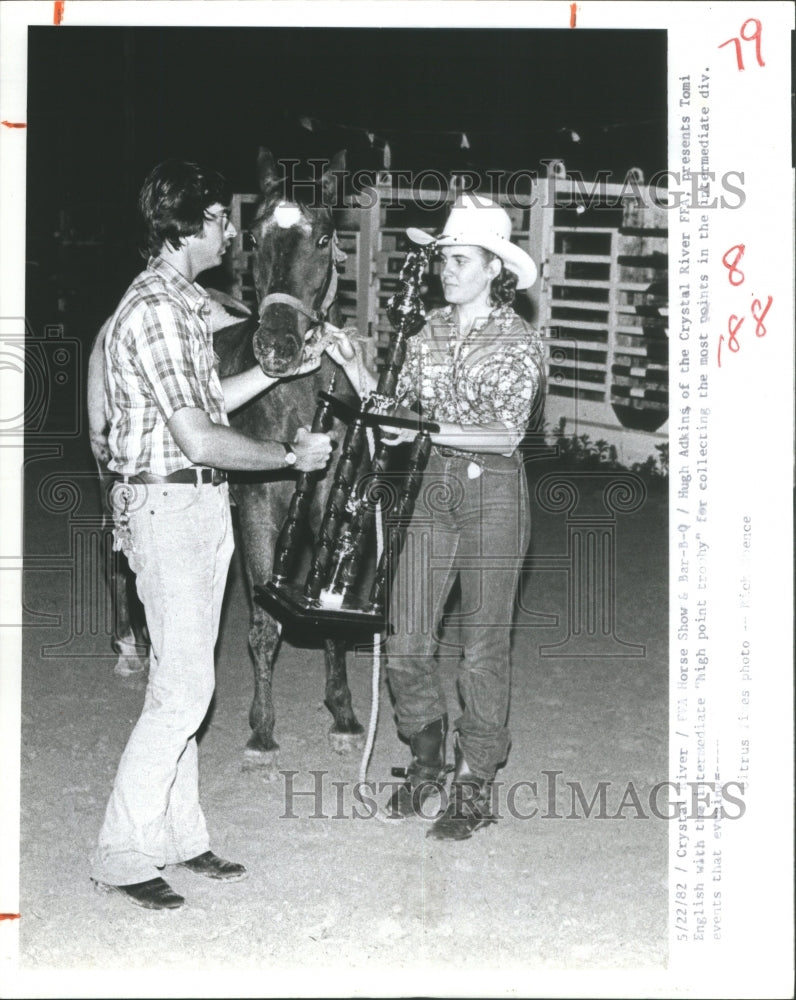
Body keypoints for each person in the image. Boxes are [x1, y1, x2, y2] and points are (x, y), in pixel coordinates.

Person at [91, 160, 332, 910]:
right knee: (184, 688)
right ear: (192, 226)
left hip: (193, 509)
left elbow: (214, 398)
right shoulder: (158, 311)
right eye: (222, 220)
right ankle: (120, 848)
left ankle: (179, 835)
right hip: (171, 505)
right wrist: (289, 455)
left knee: (187, 673)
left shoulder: (184, 304)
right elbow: (200, 437)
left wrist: (278, 372)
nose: (230, 231)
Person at [326, 194, 545, 841]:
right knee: (405, 636)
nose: (446, 270)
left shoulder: (519, 341)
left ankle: (475, 778)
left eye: (458, 260)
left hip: (495, 494)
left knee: (481, 650)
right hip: (434, 489)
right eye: (443, 259)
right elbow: (395, 421)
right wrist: (356, 367)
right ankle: (426, 760)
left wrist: (428, 426)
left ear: (492, 270)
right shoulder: (428, 334)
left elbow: (506, 435)